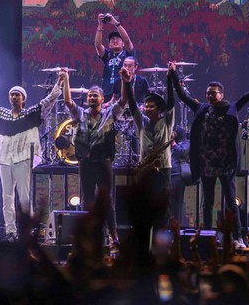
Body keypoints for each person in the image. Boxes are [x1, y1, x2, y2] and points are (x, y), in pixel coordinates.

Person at [170, 63, 249, 249]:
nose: (210, 95)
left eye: (214, 93)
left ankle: (238, 237)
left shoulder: (231, 107)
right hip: (207, 163)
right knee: (207, 202)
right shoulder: (201, 108)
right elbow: (182, 96)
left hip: (226, 163)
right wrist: (173, 74)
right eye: (208, 93)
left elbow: (246, 97)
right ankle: (208, 238)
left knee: (231, 200)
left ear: (221, 95)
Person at [0, 70, 62, 242]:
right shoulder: (0, 114)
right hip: (5, 159)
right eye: (12, 95)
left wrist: (60, 82)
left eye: (17, 95)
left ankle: (26, 231)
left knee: (25, 197)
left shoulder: (31, 114)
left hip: (22, 159)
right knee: (7, 197)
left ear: (23, 99)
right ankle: (11, 231)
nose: (14, 97)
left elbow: (49, 101)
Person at [60, 69, 123, 244]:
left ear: (102, 99)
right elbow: (67, 101)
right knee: (88, 199)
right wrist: (66, 79)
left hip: (103, 161)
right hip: (86, 162)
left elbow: (124, 101)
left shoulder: (109, 113)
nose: (91, 98)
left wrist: (125, 81)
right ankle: (93, 235)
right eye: (89, 96)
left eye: (95, 96)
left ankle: (113, 234)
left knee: (106, 200)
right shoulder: (80, 113)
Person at [123, 66, 175, 229]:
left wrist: (169, 78)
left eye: (151, 106)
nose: (147, 108)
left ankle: (162, 237)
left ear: (159, 109)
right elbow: (132, 105)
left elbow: (171, 102)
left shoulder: (166, 122)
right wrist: (127, 83)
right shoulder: (142, 122)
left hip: (163, 169)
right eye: (146, 105)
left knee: (163, 205)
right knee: (144, 204)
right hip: (145, 168)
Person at [95, 12, 135, 101]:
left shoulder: (127, 54)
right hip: (107, 92)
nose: (115, 40)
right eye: (112, 39)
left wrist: (115, 23)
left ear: (123, 44)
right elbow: (98, 45)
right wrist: (100, 25)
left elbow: (127, 40)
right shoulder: (107, 55)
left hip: (123, 91)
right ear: (109, 45)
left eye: (118, 39)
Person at [169, 126, 193, 225]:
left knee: (177, 203)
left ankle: (176, 227)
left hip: (178, 176)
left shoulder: (187, 143)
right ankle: (168, 226)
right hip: (170, 176)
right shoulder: (173, 145)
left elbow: (182, 152)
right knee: (169, 203)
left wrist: (174, 144)